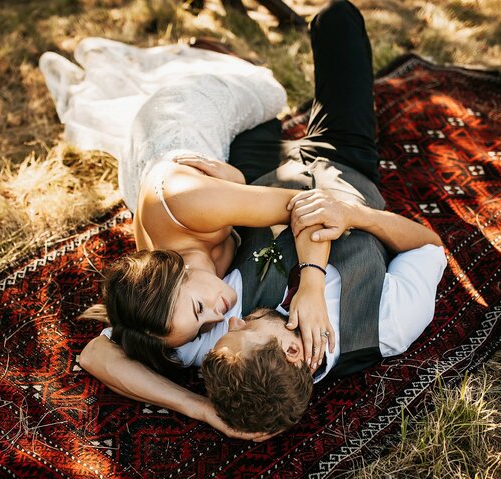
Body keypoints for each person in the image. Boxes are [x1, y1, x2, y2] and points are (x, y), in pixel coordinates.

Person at [79, 0, 447, 440]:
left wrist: (202, 410)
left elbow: (97, 355)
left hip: (256, 184)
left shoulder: (215, 331)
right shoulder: (388, 325)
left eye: (222, 331)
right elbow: (429, 245)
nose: (229, 321)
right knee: (336, 18)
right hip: (341, 165)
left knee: (250, 110)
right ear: (295, 352)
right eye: (239, 329)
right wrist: (358, 215)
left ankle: (229, 66)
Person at [40, 30, 336, 377]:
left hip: (180, 121)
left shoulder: (191, 203)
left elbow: (310, 204)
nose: (218, 316)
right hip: (158, 175)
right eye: (202, 326)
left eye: (199, 309)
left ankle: (215, 55)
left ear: (177, 273)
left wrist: (313, 287)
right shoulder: (156, 314)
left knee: (272, 93)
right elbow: (93, 357)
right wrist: (200, 409)